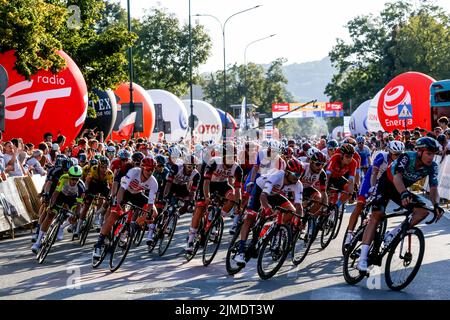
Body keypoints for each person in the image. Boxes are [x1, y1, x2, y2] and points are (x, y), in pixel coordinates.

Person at [356, 137, 445, 272]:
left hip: (401, 189)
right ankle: (362, 259)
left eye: (433, 154)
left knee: (423, 211)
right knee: (377, 216)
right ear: (419, 151)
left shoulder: (433, 166)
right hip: (387, 184)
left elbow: (433, 189)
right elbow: (397, 176)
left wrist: (437, 205)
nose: (431, 157)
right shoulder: (407, 157)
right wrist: (404, 193)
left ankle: (392, 234)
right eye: (428, 153)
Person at [233, 158, 303, 267]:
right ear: (288, 172)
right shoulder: (278, 176)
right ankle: (240, 252)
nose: (297, 178)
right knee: (251, 217)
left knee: (292, 211)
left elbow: (299, 206)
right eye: (295, 174)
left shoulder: (298, 184)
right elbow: (263, 196)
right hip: (260, 190)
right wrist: (266, 208)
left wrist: (299, 220)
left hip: (274, 194)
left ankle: (277, 229)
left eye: (299, 175)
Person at [92, 157, 159, 260]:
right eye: (148, 169)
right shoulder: (134, 172)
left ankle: (132, 226)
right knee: (114, 215)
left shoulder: (154, 182)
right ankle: (98, 244)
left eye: (152, 170)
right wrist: (118, 204)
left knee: (154, 213)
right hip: (125, 192)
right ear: (142, 168)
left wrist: (148, 214)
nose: (150, 172)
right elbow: (122, 189)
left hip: (137, 195)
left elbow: (150, 203)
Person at [344, 141, 405, 247]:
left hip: (384, 184)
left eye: (400, 154)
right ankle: (349, 235)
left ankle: (369, 232)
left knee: (380, 210)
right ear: (390, 152)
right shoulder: (382, 156)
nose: (397, 156)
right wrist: (372, 187)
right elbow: (374, 173)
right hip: (371, 180)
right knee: (360, 205)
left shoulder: (401, 162)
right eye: (395, 154)